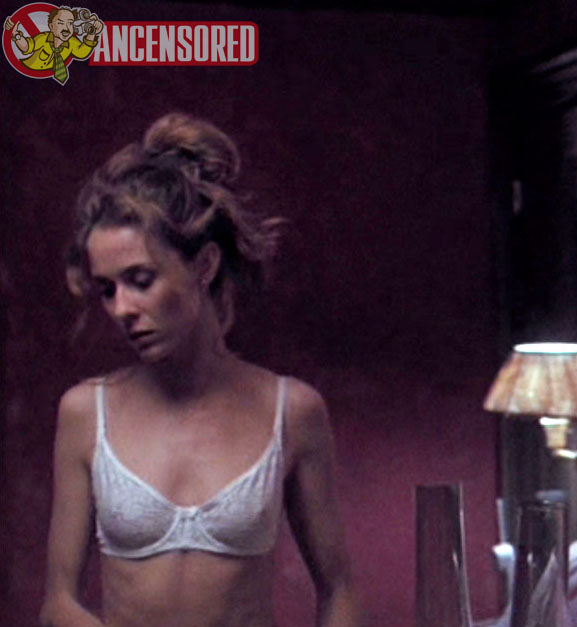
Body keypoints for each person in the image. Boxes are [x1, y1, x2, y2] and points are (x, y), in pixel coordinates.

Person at [39, 113, 355, 627]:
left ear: (203, 266)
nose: (121, 309)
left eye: (141, 280)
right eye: (107, 289)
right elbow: (58, 604)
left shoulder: (292, 411)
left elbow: (339, 591)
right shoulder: (86, 413)